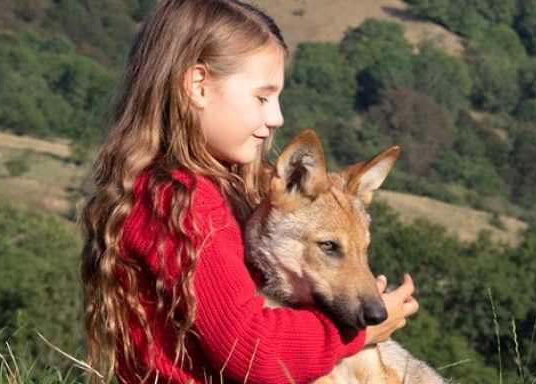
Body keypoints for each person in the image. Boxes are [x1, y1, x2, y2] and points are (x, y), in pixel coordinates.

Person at [78, 0, 420, 383]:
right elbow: (253, 351)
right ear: (198, 86)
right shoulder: (178, 200)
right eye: (262, 97)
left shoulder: (218, 188)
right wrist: (356, 333)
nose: (277, 118)